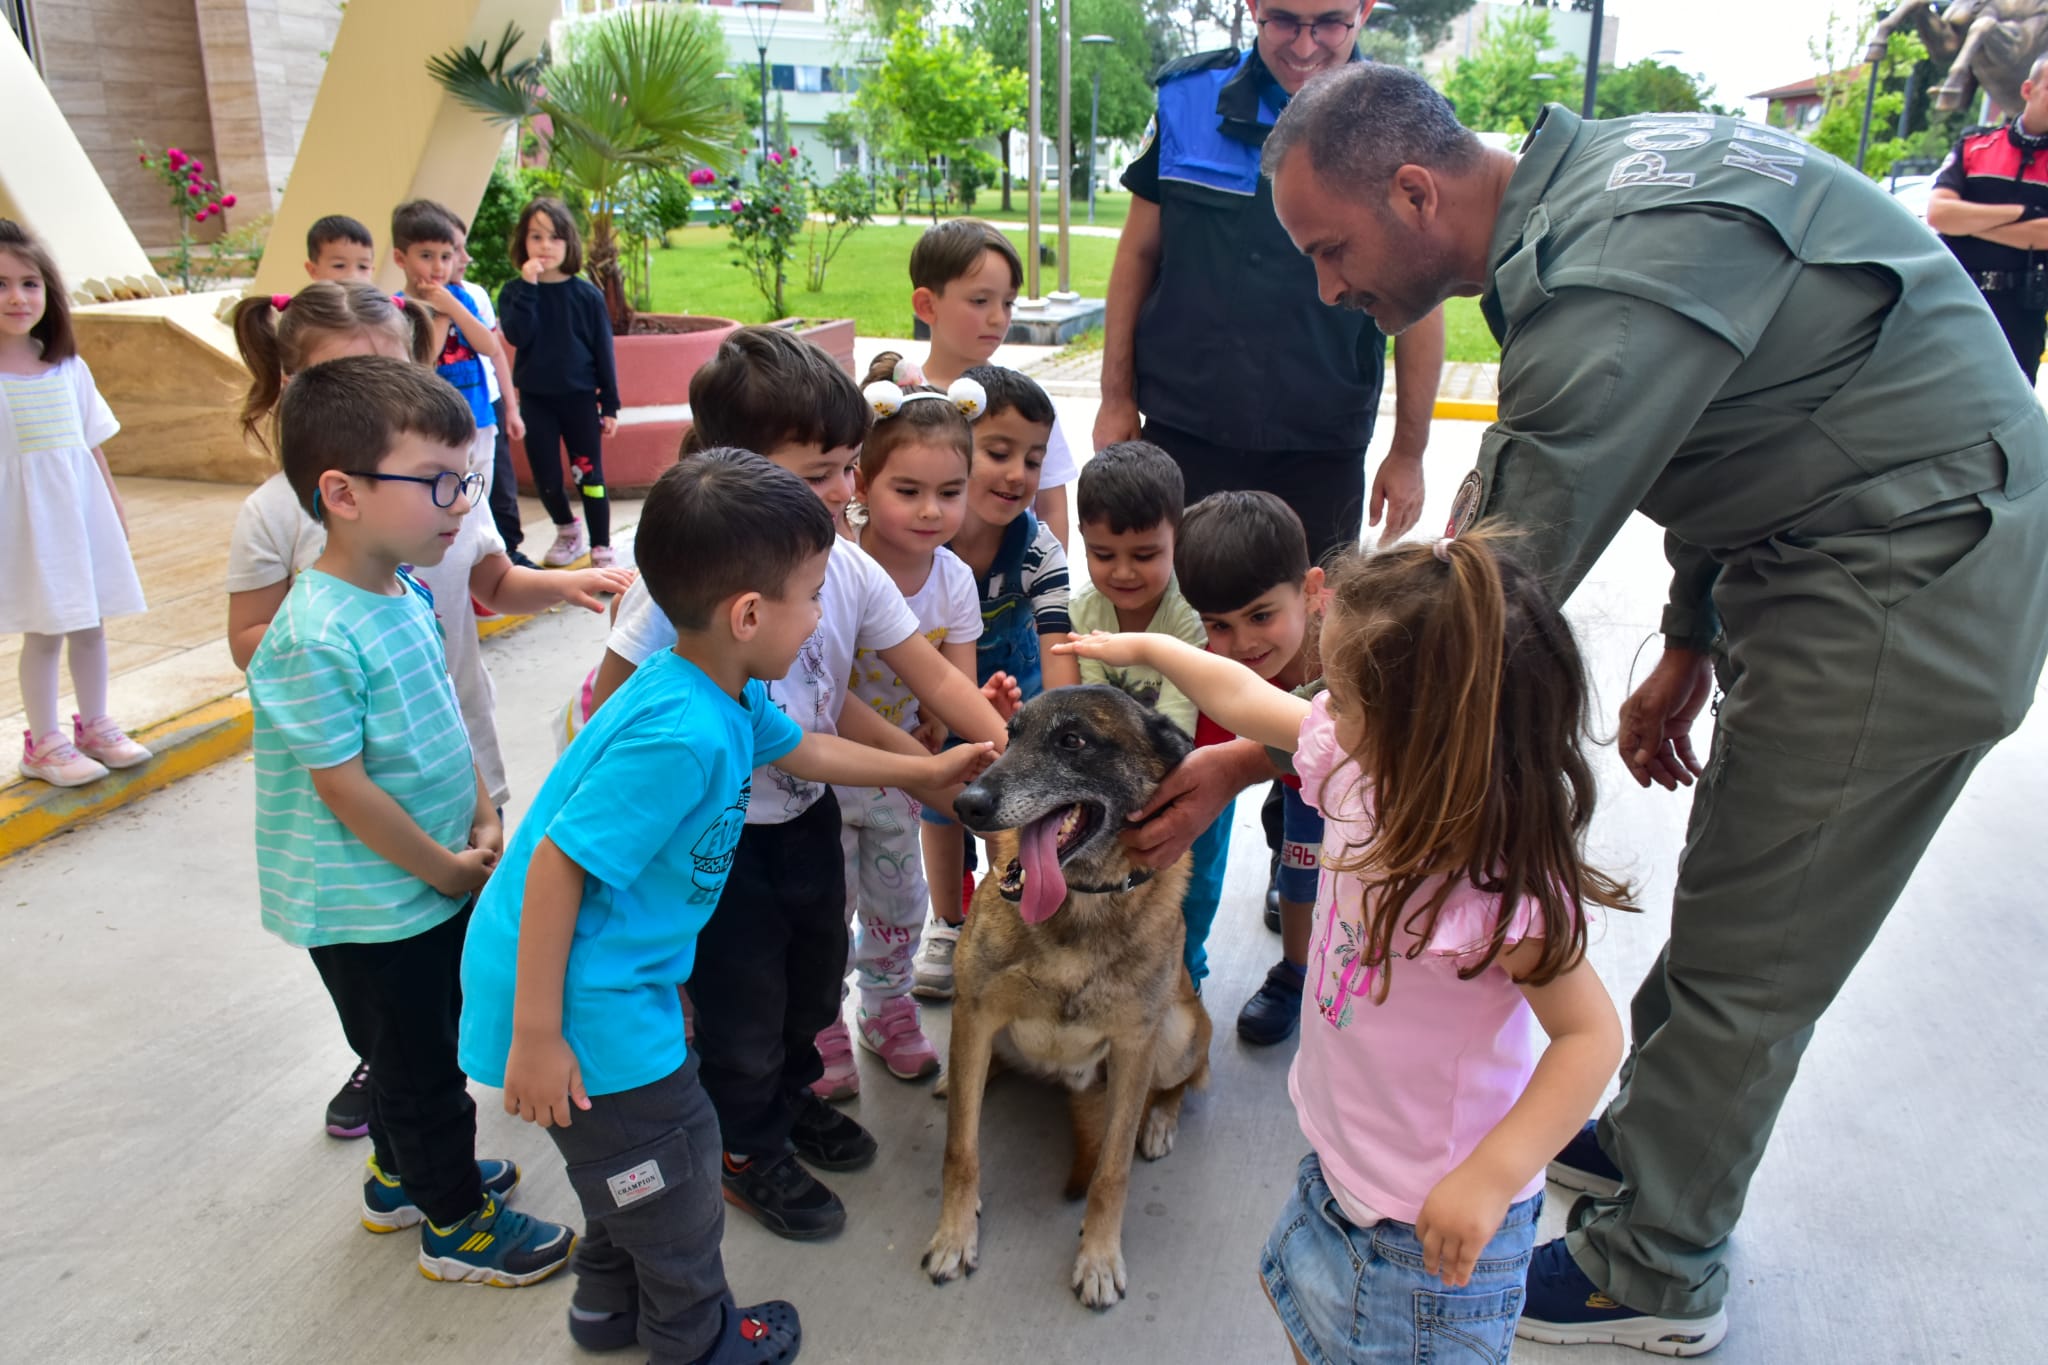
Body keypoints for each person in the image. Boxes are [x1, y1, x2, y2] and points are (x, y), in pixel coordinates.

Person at [1238, 64, 2048, 1354]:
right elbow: (1742, 404)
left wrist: (1273, 744)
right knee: (1740, 887)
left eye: (1330, 251)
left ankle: (1656, 1267)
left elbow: (1475, 604)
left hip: (1909, 577)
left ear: (1413, 190)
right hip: (1828, 543)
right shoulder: (1601, 194)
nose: (1330, 287)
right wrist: (1690, 627)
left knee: (1757, 944)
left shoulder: (1609, 273)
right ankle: (1644, 1145)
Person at [459, 450, 992, 1363]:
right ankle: (697, 1338)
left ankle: (607, 1302)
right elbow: (555, 868)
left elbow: (810, 750)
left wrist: (928, 769)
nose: (824, 614)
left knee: (618, 1168)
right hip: (587, 1003)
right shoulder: (683, 733)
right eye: (815, 595)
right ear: (751, 614)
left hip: (589, 985)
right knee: (674, 1167)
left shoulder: (713, 685)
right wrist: (541, 1036)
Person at [1061, 527, 1627, 1364]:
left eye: (1347, 695)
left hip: (1430, 1227)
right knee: (1313, 1332)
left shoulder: (1499, 886)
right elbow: (1250, 701)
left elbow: (1590, 1037)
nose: (1323, 706)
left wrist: (1492, 1176)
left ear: (1426, 729)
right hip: (1340, 1166)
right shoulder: (1366, 771)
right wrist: (1147, 645)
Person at [587, 327, 1010, 1242]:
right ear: (739, 469)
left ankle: (784, 1097)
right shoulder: (676, 592)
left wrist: (1010, 751)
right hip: (717, 844)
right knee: (744, 1009)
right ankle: (749, 1148)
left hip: (809, 814)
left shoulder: (842, 565)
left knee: (815, 982)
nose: (846, 492)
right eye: (821, 472)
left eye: (851, 466)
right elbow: (607, 717)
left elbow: (908, 684)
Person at [226, 280, 630, 1138]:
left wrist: (481, 811)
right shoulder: (308, 585)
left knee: (438, 1010)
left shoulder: (412, 554)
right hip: (375, 864)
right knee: (408, 1048)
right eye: (348, 375)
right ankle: (440, 1201)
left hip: (439, 791)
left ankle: (413, 1155)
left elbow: (481, 602)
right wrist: (330, 662)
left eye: (394, 367)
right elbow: (335, 774)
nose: (382, 392)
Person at [246, 355, 576, 1288]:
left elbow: (443, 713)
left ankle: (401, 1178)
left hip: (429, 874)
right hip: (366, 902)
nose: (459, 503)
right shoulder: (314, 634)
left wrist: (479, 808)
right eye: (437, 482)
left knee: (415, 1043)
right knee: (423, 1065)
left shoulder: (405, 593)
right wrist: (440, 865)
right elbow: (342, 787)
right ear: (343, 493)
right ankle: (457, 1226)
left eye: (464, 479)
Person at [1094, 0, 1437, 566]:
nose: (1304, 47)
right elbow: (1136, 255)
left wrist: (1409, 450)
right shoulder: (1186, 100)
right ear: (1251, 6)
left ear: (1365, 10)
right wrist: (1115, 398)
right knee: (1179, 626)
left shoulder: (1408, 122)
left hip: (1322, 444)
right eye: (1282, 20)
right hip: (1184, 433)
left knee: (1312, 632)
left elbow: (1424, 301)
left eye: (1329, 22)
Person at [812, 354, 986, 1096]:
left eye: (950, 493)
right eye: (907, 490)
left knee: (898, 901)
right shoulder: (838, 568)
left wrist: (975, 732)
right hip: (821, 771)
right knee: (826, 905)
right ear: (862, 488)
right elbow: (823, 687)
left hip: (899, 781)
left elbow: (955, 682)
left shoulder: (954, 579)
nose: (929, 510)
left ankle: (887, 1011)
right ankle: (821, 1025)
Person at [911, 365, 1081, 1001]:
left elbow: (1058, 649)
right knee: (941, 798)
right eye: (999, 452)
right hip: (928, 687)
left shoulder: (1038, 552)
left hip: (1018, 692)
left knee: (1018, 799)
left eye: (1034, 459)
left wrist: (1055, 741)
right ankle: (948, 921)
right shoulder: (918, 539)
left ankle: (1012, 902)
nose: (1018, 474)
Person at [0, 218, 151, 788]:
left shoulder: (67, 367)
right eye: (0, 284)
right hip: (26, 527)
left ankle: (95, 726)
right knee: (44, 630)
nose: (17, 297)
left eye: (29, 283)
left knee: (91, 625)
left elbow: (92, 446)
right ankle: (43, 743)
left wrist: (112, 505)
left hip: (78, 518)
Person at [1175, 490, 1326, 1041]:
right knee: (1298, 873)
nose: (1242, 644)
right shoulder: (1223, 663)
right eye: (1218, 625)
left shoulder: (1354, 645)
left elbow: (1346, 732)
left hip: (1382, 795)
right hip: (1300, 786)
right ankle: (1295, 972)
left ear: (1312, 591)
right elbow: (1209, 755)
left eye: (1261, 615)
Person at [1066, 440, 1217, 986]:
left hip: (1184, 783)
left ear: (1177, 535)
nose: (1123, 572)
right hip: (1112, 790)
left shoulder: (1188, 615)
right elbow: (1083, 716)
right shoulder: (1082, 610)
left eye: (1146, 555)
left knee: (1195, 888)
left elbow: (1177, 730)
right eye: (1103, 555)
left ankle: (1186, 974)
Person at [909, 219, 1077, 544]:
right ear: (927, 305)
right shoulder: (901, 398)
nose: (999, 318)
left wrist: (1053, 586)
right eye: (980, 301)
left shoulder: (1029, 402)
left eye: (1008, 302)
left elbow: (1052, 506)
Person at [497, 197, 621, 568]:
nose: (545, 246)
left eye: (554, 237)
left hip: (580, 401)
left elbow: (604, 352)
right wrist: (529, 286)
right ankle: (567, 528)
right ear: (523, 243)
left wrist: (610, 404)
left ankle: (601, 545)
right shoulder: (514, 293)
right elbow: (518, 335)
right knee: (546, 477)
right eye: (536, 237)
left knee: (591, 476)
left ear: (569, 243)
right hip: (537, 401)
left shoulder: (586, 296)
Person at [1927, 53, 2048, 385]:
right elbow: (1940, 215)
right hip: (1953, 295)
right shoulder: (1974, 145)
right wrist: (2022, 215)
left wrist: (1973, 225)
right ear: (2028, 89)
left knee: (2006, 412)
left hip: (2020, 311)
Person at [389, 200, 502, 524]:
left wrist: (454, 308)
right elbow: (422, 363)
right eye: (426, 256)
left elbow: (489, 345)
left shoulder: (460, 298)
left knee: (481, 498)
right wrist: (440, 316)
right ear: (401, 258)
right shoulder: (399, 309)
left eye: (446, 256)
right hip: (435, 427)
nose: (438, 267)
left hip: (478, 417)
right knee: (448, 498)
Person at [446, 211, 531, 568]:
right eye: (455, 251)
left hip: (487, 408)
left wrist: (510, 408)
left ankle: (505, 555)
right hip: (447, 416)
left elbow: (492, 349)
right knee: (456, 494)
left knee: (498, 490)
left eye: (462, 249)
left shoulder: (475, 295)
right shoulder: (408, 304)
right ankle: (467, 568)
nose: (466, 259)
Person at [303, 214, 376, 282]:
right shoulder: (304, 296)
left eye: (363, 267)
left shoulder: (380, 296)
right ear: (313, 271)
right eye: (339, 266)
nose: (353, 276)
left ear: (372, 271)